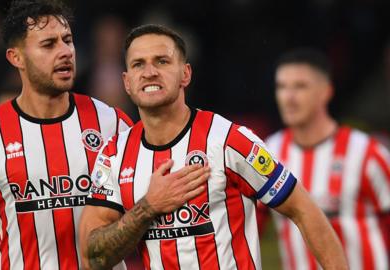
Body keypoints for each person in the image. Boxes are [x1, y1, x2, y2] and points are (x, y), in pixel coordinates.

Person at [78, 24, 348, 270]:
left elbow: (303, 209)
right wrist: (148, 207)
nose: (149, 72)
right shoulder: (115, 155)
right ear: (127, 82)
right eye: (138, 64)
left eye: (162, 61)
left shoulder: (228, 140)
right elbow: (93, 257)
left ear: (185, 74)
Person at [0, 0, 133, 269]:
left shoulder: (113, 124)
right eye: (48, 44)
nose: (65, 51)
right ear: (16, 57)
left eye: (68, 40)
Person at [261, 48, 390, 270]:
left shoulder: (367, 153)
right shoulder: (268, 154)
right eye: (281, 87)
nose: (288, 97)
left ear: (326, 92)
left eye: (300, 86)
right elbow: (248, 225)